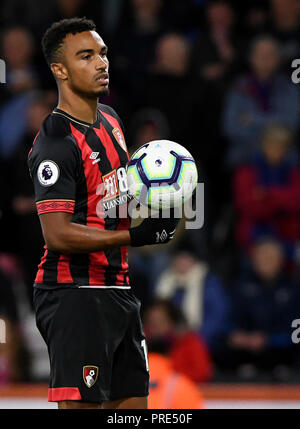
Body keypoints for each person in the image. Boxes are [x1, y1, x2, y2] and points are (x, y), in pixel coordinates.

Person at [27, 17, 179, 410]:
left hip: (120, 291)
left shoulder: (112, 121)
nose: (101, 63)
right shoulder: (56, 142)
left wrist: (159, 208)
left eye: (103, 53)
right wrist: (134, 236)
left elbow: (112, 201)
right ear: (59, 70)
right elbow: (57, 235)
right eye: (86, 55)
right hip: (73, 295)